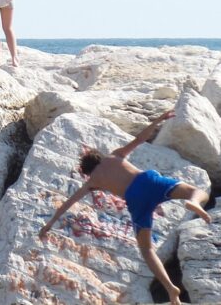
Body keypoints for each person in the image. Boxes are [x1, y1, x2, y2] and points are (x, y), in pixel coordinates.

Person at [38, 110, 211, 305]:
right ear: (99, 157)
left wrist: (49, 224)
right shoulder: (114, 156)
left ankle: (171, 288)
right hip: (147, 181)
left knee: (146, 250)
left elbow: (69, 202)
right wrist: (158, 120)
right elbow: (140, 139)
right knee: (195, 191)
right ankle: (194, 202)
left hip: (135, 200)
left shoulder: (92, 182)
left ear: (87, 173)